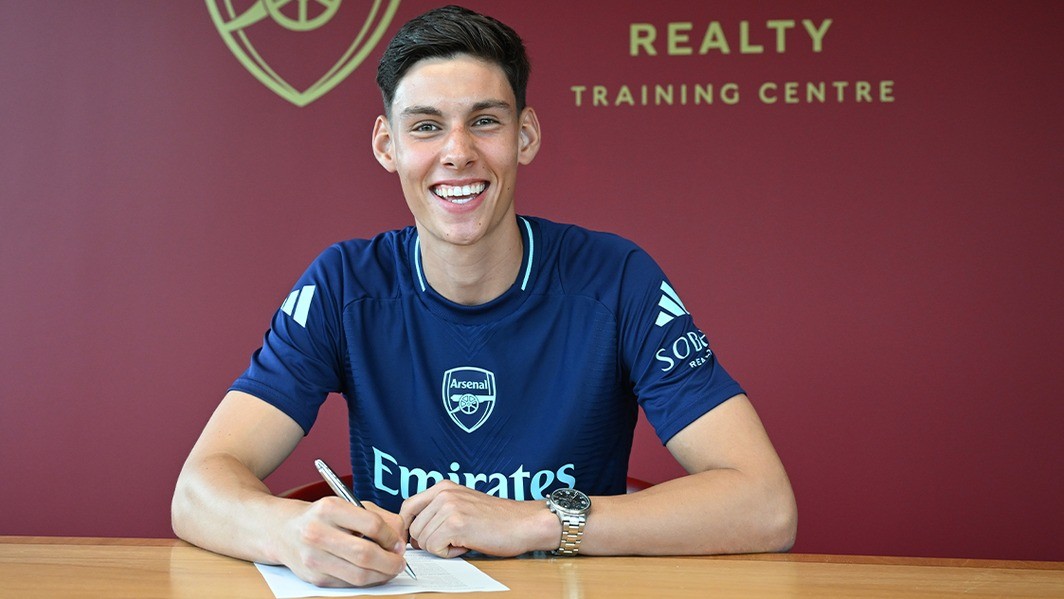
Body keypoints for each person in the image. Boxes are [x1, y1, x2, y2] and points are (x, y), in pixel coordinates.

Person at [172, 4, 796, 588]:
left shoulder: (615, 278)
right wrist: (286, 531)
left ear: (524, 136)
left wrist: (537, 519)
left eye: (485, 121)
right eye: (425, 126)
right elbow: (198, 488)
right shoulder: (344, 284)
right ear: (387, 146)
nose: (457, 153)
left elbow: (764, 504)